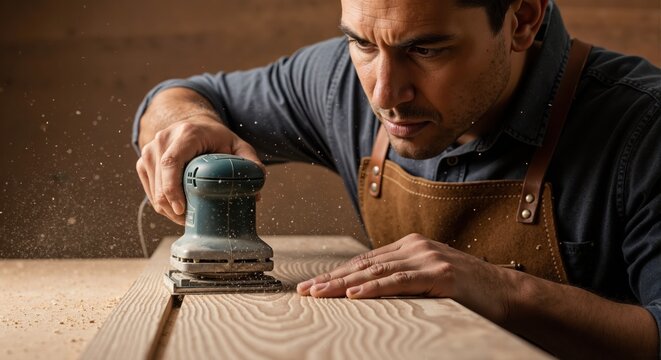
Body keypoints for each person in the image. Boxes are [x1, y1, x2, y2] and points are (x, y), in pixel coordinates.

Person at [133, 0, 661, 357]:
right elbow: (183, 95)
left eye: (426, 50)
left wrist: (501, 288)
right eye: (362, 44)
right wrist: (185, 124)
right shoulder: (337, 84)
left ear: (522, 19)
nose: (384, 94)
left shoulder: (644, 128)